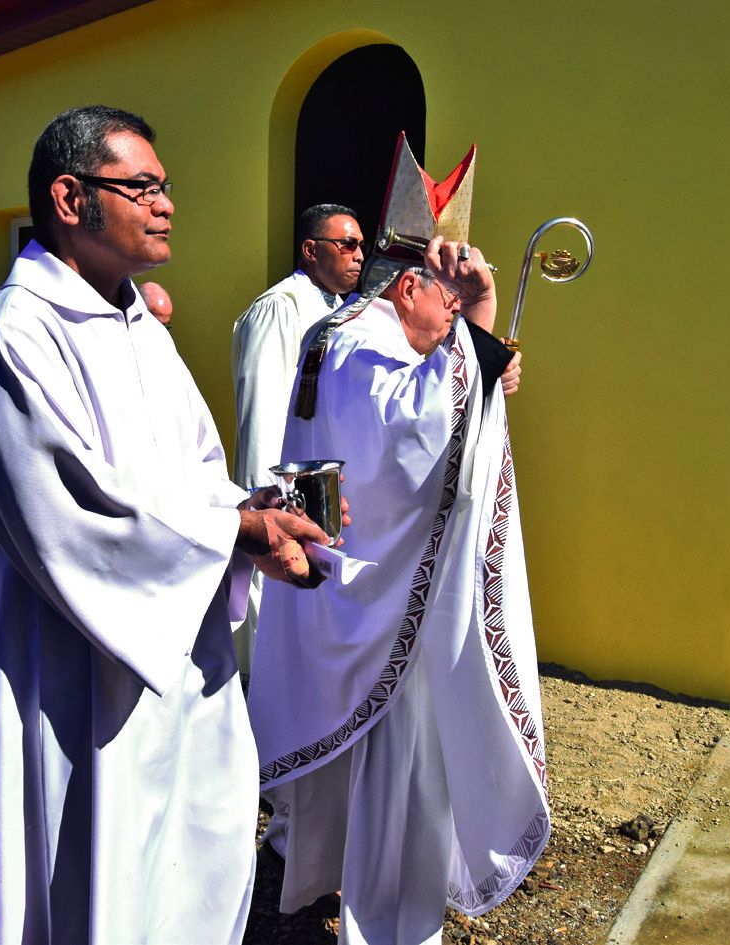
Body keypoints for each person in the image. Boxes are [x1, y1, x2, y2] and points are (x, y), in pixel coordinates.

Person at [0, 105, 335, 945]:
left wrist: (252, 517)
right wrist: (232, 533)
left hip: (180, 630)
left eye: (166, 188)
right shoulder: (14, 331)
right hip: (79, 654)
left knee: (193, 844)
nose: (166, 204)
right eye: (143, 187)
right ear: (68, 196)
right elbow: (69, 506)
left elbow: (197, 465)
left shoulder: (134, 323)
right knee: (104, 861)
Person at [248, 237, 543, 945]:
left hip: (345, 581)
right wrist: (477, 334)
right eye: (445, 299)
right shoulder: (364, 346)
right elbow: (415, 439)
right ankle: (388, 922)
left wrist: (475, 360)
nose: (448, 317)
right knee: (397, 754)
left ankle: (314, 866)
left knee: (346, 737)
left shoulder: (337, 337)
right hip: (385, 596)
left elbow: (432, 402)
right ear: (408, 286)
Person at [228, 204, 364, 669]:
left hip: (325, 490)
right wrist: (270, 505)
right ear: (310, 250)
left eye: (361, 245)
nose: (359, 254)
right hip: (286, 496)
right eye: (347, 244)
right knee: (278, 619)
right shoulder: (277, 310)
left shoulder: (344, 313)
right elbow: (261, 416)